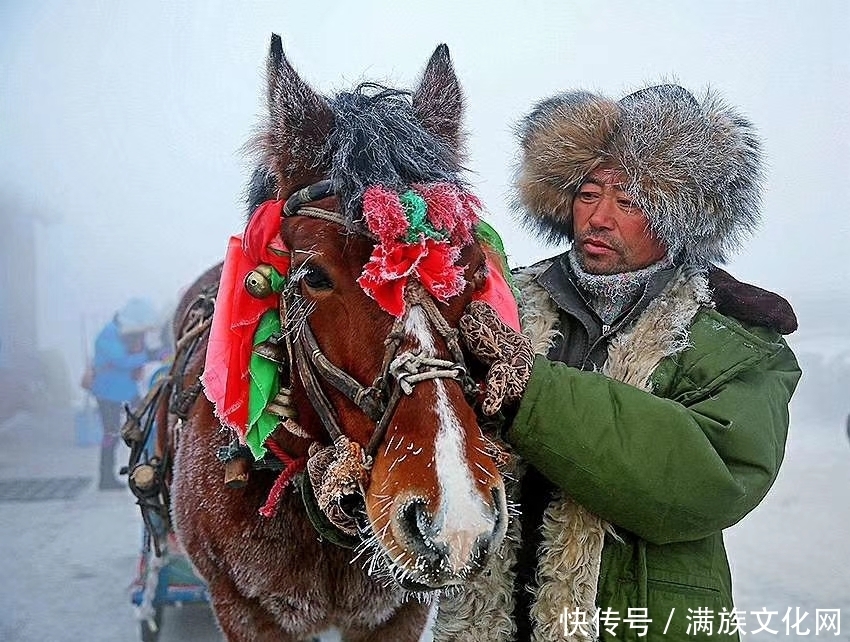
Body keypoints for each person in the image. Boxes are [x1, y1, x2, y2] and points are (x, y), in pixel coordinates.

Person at [457, 84, 801, 641]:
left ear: (676, 215)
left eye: (630, 200)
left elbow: (707, 480)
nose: (598, 217)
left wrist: (532, 391)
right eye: (588, 194)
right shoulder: (502, 309)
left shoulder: (734, 340)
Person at [89, 298, 162, 490]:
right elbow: (122, 360)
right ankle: (105, 476)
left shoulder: (121, 334)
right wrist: (148, 356)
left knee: (144, 425)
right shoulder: (108, 334)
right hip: (107, 393)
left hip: (125, 391)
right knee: (111, 433)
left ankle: (141, 468)